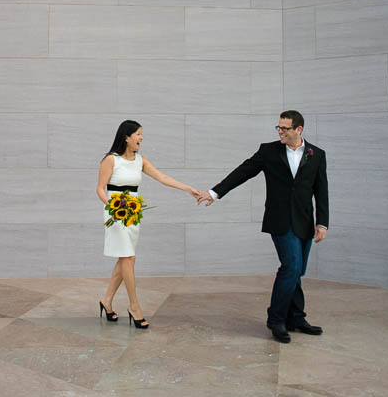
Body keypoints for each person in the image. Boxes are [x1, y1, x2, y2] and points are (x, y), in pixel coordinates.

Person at [196, 110, 328, 343]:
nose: (280, 132)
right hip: (280, 220)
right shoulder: (269, 151)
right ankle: (276, 319)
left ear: (299, 130)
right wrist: (214, 193)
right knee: (291, 266)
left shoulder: (316, 154)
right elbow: (243, 172)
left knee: (297, 271)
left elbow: (321, 191)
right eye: (278, 127)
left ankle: (296, 317)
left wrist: (323, 223)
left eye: (285, 128)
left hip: (305, 221)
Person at [98, 120, 200, 329]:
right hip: (115, 212)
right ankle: (134, 306)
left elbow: (162, 177)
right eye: (138, 134)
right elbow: (100, 189)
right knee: (129, 257)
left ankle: (106, 300)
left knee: (125, 258)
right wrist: (112, 208)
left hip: (133, 211)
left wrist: (188, 188)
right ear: (126, 137)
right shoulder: (111, 160)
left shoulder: (140, 160)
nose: (141, 138)